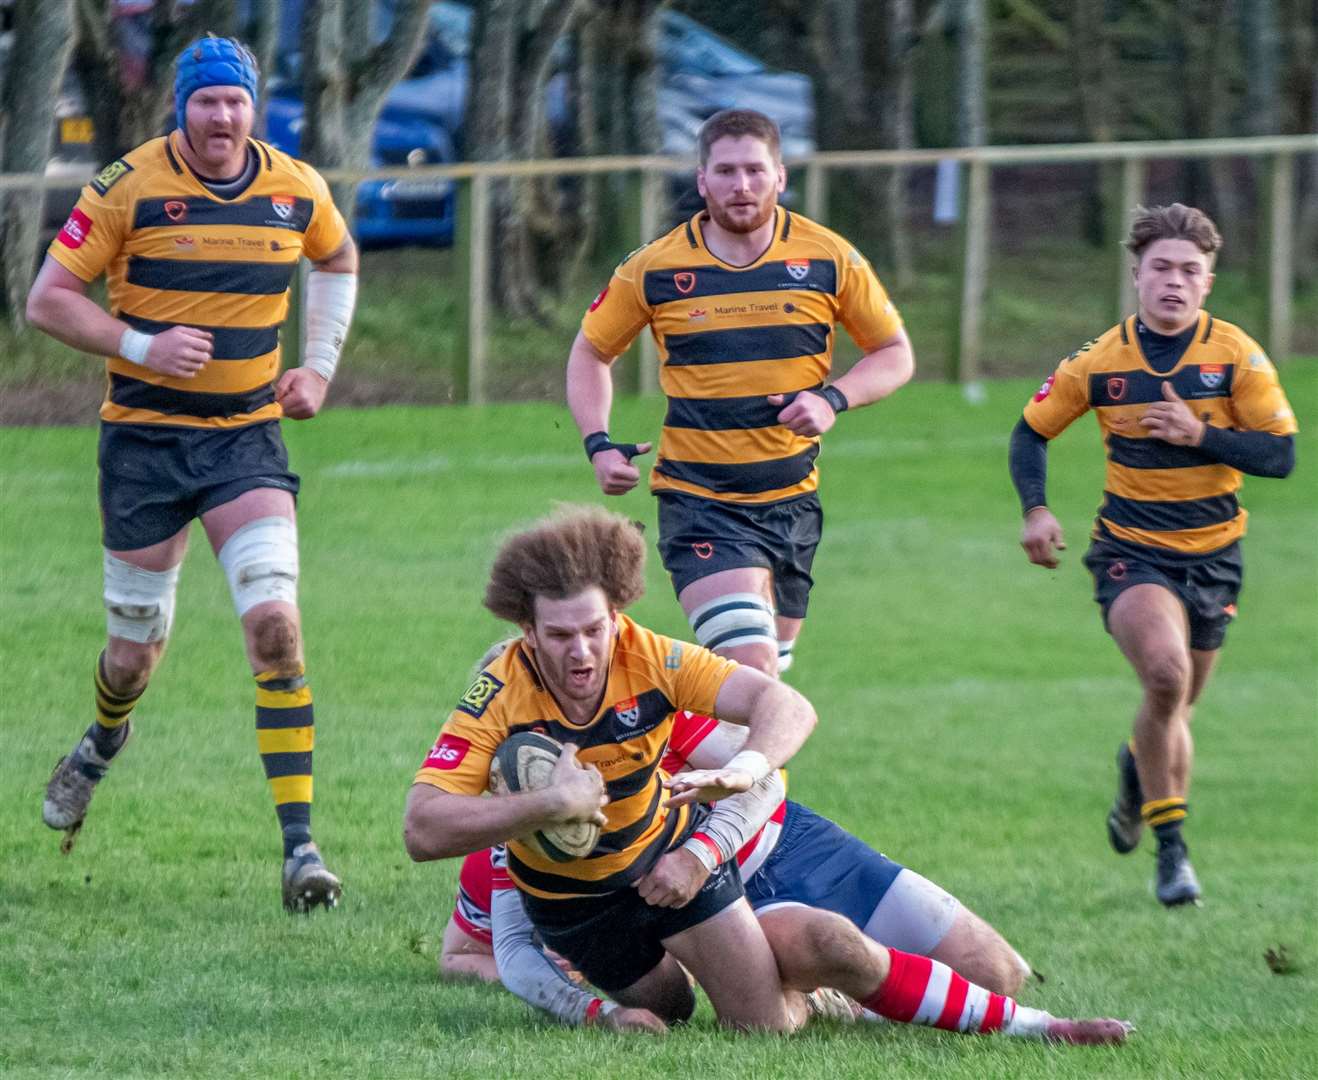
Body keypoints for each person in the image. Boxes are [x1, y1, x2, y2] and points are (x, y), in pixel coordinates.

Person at [26, 35, 359, 913]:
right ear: (182, 107)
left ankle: (301, 853)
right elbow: (48, 299)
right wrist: (143, 345)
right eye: (206, 101)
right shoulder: (126, 186)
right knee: (133, 655)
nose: (221, 116)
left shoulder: (296, 187)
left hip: (244, 441)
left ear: (255, 106)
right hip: (142, 448)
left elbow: (338, 258)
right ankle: (102, 740)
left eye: (235, 101)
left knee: (277, 629)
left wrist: (317, 365)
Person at [433, 712, 1131, 1045]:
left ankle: (833, 986)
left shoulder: (647, 711)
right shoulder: (519, 831)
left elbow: (764, 781)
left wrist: (702, 852)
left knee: (997, 974)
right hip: (712, 909)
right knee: (813, 964)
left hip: (788, 847)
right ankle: (811, 978)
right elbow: (499, 948)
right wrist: (600, 1009)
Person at [403, 504, 820, 1032]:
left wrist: (746, 766)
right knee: (671, 1009)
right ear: (526, 630)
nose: (581, 651)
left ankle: (812, 991)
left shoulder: (652, 658)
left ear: (616, 618)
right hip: (577, 906)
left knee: (766, 1027)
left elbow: (789, 707)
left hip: (668, 852)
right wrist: (551, 805)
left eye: (593, 630)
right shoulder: (497, 698)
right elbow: (420, 830)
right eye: (559, 636)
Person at [1008, 203, 1297, 907]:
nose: (1174, 281)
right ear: (1136, 274)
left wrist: (1201, 436)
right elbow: (1030, 430)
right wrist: (1037, 509)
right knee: (1166, 678)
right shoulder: (1099, 362)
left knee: (1175, 707)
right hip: (1130, 552)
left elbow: (1281, 455)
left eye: (1189, 271)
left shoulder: (1235, 355)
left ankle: (1137, 774)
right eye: (1161, 267)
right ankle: (1173, 854)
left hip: (1217, 556)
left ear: (1208, 282)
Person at [566, 108, 914, 678]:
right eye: (725, 171)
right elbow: (590, 351)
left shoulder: (827, 257)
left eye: (755, 170)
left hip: (792, 503)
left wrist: (832, 399)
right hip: (700, 502)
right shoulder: (655, 268)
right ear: (702, 180)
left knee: (760, 693)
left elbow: (895, 354)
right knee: (753, 669)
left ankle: (682, 758)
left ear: (780, 175)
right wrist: (598, 442)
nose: (741, 185)